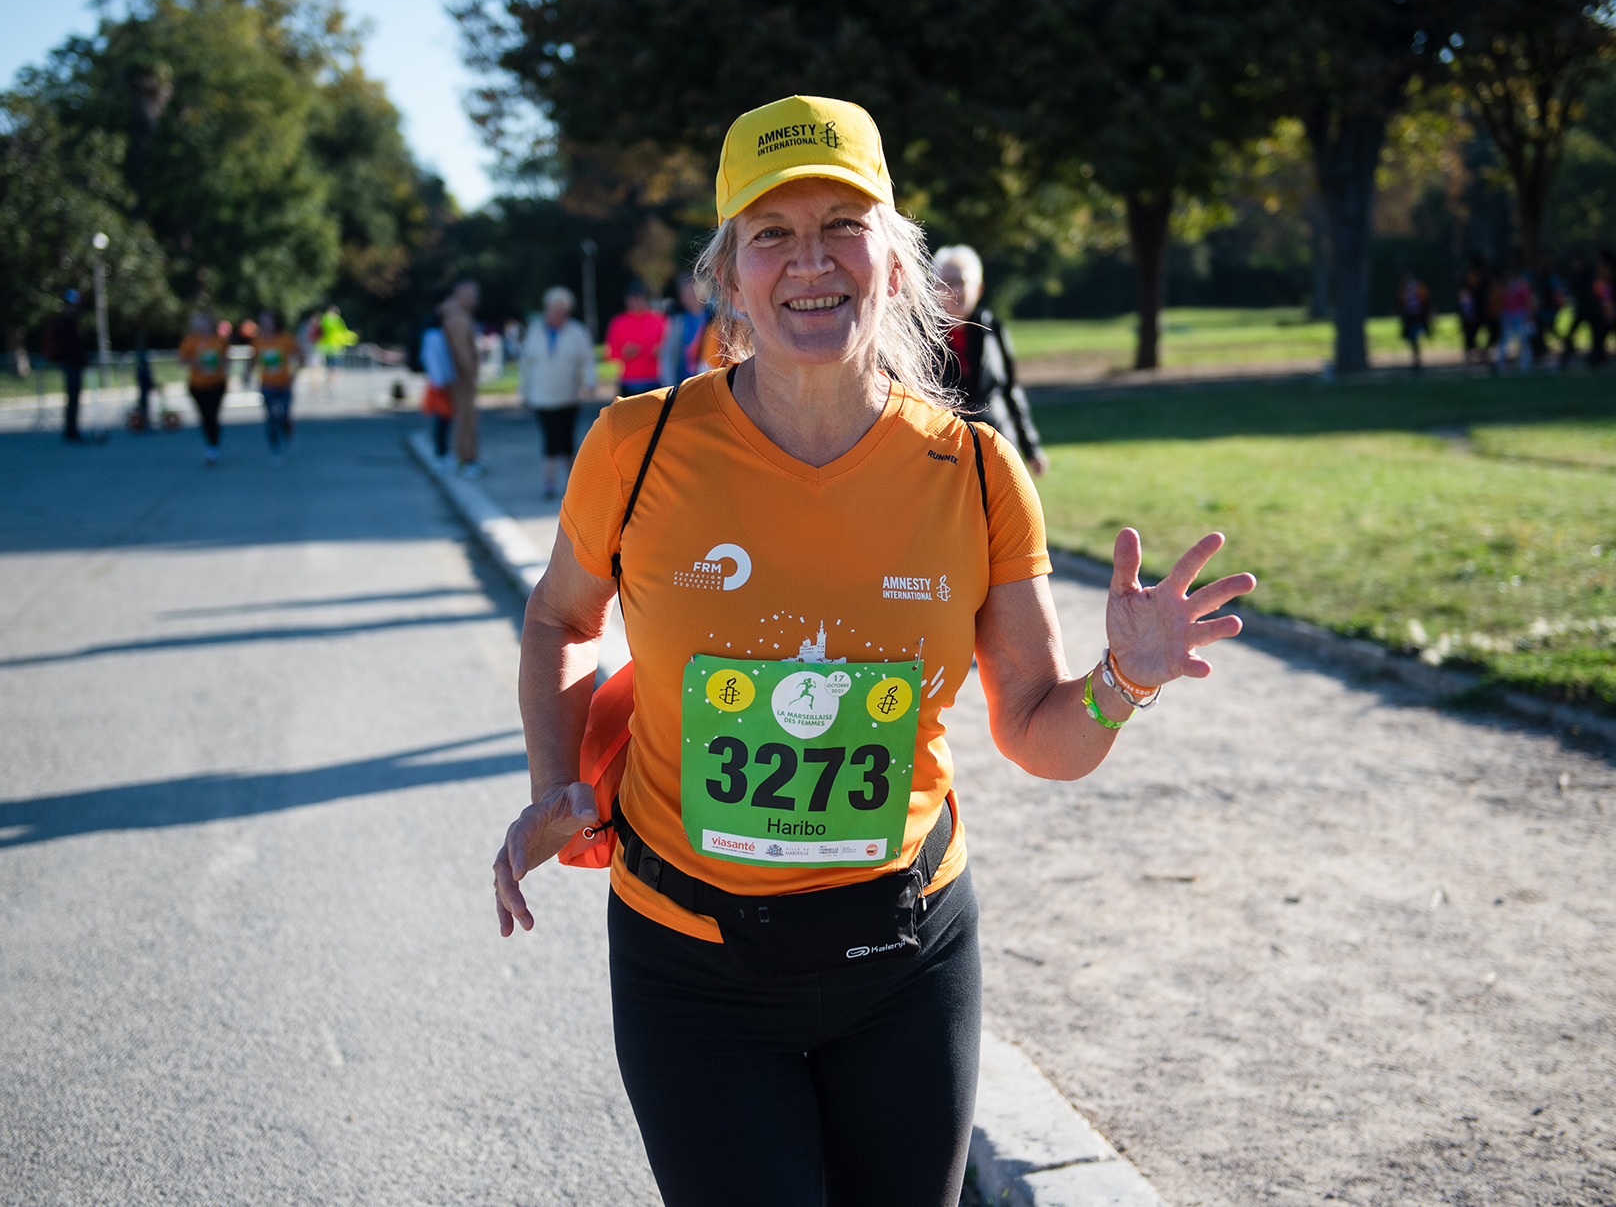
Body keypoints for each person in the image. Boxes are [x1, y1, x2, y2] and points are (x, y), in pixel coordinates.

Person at [490, 95, 1256, 1207]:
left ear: (893, 262)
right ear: (730, 275)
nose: (810, 261)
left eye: (841, 225)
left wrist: (1121, 682)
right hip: (687, 962)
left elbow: (1038, 732)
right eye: (772, 234)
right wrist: (553, 782)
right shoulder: (636, 445)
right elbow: (559, 618)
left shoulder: (976, 471)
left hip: (904, 959)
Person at [932, 245, 1047, 475]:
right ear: (934, 288)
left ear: (979, 288)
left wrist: (1031, 446)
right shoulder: (922, 337)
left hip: (999, 445)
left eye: (962, 282)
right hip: (946, 456)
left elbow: (1011, 390)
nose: (955, 290)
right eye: (947, 282)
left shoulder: (993, 329)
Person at [519, 286, 600, 498]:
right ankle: (549, 482)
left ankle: (574, 486)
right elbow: (526, 365)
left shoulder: (577, 332)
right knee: (550, 439)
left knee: (568, 441)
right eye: (553, 310)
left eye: (561, 311)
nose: (556, 315)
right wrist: (524, 392)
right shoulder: (535, 331)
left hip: (568, 396)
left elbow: (587, 361)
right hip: (542, 396)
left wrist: (590, 382)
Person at [435, 281, 484, 475]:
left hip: (456, 376)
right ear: (461, 295)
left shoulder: (450, 313)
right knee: (466, 418)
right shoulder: (458, 317)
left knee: (462, 418)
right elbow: (462, 350)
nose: (475, 300)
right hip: (462, 377)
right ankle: (467, 459)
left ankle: (465, 458)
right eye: (472, 296)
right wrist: (472, 371)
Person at [177, 312, 231, 464]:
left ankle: (213, 446)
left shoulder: (219, 341)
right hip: (197, 385)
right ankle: (210, 444)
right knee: (205, 415)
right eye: (199, 323)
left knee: (212, 414)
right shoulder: (190, 341)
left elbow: (227, 359)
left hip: (216, 383)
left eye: (205, 323)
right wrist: (196, 362)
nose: (202, 326)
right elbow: (181, 359)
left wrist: (220, 364)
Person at [252, 311, 302, 461]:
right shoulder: (258, 341)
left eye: (268, 321)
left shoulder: (286, 339)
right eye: (263, 321)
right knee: (271, 417)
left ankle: (287, 433)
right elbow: (252, 360)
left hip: (284, 384)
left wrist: (294, 374)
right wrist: (246, 374)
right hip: (267, 385)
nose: (265, 324)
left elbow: (300, 356)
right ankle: (275, 448)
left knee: (284, 414)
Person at [605, 280, 669, 397]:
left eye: (638, 298)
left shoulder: (660, 320)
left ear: (646, 299)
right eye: (631, 298)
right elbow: (609, 353)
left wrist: (661, 351)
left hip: (654, 380)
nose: (635, 302)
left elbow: (671, 349)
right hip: (628, 382)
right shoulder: (618, 322)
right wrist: (624, 352)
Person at [42, 291, 89, 442]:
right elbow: (70, 347)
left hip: (73, 363)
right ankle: (71, 431)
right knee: (72, 397)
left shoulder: (72, 322)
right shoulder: (64, 323)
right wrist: (81, 359)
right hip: (70, 364)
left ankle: (72, 429)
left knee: (74, 398)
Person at [420, 306, 459, 459]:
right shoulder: (434, 336)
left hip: (441, 382)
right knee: (442, 417)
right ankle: (441, 451)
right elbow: (436, 361)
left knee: (444, 417)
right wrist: (442, 381)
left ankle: (442, 449)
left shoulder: (435, 335)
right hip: (440, 384)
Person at [660, 273, 711, 385]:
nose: (691, 296)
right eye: (685, 293)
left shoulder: (713, 317)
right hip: (684, 383)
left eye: (694, 291)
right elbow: (669, 354)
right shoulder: (677, 321)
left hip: (710, 380)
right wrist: (669, 385)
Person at [1496, 256, 1535, 373]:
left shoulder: (1522, 287)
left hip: (1521, 315)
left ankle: (1525, 365)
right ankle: (1500, 364)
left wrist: (1528, 315)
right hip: (1509, 316)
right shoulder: (1505, 289)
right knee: (1505, 340)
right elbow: (1504, 304)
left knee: (1523, 341)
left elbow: (1529, 303)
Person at [1397, 271, 1433, 372]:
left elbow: (1425, 301)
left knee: (1414, 339)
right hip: (1411, 318)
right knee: (1413, 340)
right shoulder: (1405, 290)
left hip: (1416, 317)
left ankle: (1417, 361)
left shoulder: (1416, 289)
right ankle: (1416, 361)